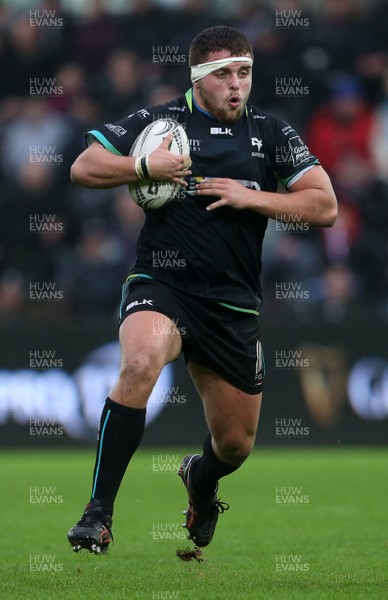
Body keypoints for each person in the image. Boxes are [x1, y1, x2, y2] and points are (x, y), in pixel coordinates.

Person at [67, 25, 337, 554]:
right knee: (140, 362)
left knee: (235, 446)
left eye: (244, 73)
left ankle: (201, 478)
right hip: (163, 284)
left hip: (233, 305)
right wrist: (144, 166)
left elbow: (324, 206)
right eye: (222, 75)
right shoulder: (161, 122)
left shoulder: (272, 132)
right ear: (197, 79)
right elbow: (83, 167)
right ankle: (97, 514)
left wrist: (251, 196)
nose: (236, 85)